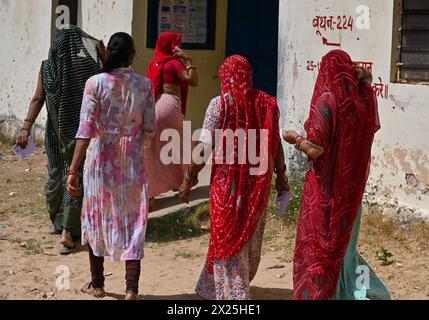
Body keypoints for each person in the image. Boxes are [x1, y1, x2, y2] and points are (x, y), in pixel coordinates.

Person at [179, 55, 290, 300]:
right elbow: (276, 143)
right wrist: (281, 176)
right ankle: (212, 287)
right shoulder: (268, 104)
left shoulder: (219, 105)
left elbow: (205, 146)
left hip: (226, 188)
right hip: (258, 186)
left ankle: (235, 295)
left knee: (227, 238)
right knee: (245, 241)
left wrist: (189, 176)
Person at [283, 50, 390, 300]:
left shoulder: (327, 101)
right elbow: (367, 86)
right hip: (351, 194)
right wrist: (364, 76)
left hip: (325, 194)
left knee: (321, 250)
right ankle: (361, 293)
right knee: (345, 250)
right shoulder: (363, 101)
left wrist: (294, 138)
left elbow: (316, 149)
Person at [66, 32, 155, 300]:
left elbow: (85, 130)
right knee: (135, 220)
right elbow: (149, 129)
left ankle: (98, 283)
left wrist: (73, 170)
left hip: (100, 161)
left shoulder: (95, 83)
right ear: (132, 55)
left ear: (107, 54)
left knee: (95, 217)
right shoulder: (145, 85)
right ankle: (131, 289)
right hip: (131, 161)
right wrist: (134, 147)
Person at [16, 25, 105, 255]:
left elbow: (37, 98)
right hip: (81, 135)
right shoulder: (89, 67)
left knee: (57, 173)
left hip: (55, 134)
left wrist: (26, 126)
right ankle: (68, 229)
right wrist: (103, 58)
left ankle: (62, 224)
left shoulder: (47, 68)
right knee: (74, 176)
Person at [145, 32, 199, 209]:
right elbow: (193, 81)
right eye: (177, 44)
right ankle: (186, 180)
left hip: (154, 108)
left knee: (153, 152)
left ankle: (150, 195)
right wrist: (188, 61)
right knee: (184, 146)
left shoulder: (156, 62)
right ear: (171, 46)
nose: (180, 47)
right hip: (169, 105)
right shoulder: (174, 63)